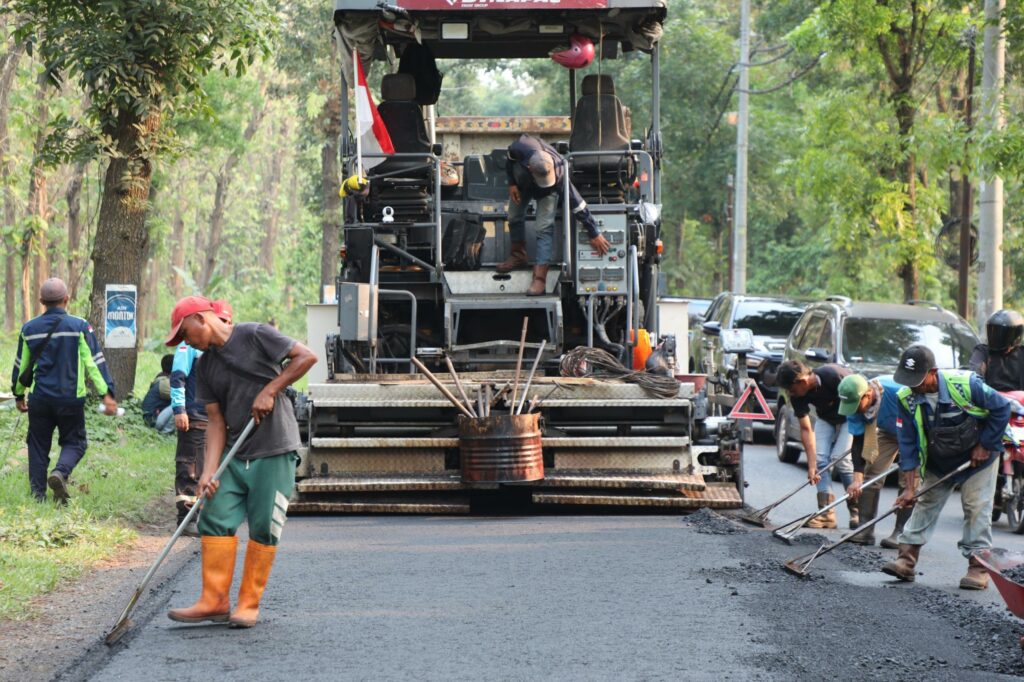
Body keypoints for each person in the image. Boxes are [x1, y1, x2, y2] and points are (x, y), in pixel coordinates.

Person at [164, 296, 316, 628]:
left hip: (274, 447)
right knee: (214, 517)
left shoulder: (255, 334)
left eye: (185, 333)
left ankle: (248, 604)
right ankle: (214, 600)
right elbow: (216, 421)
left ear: (201, 319)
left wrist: (271, 390)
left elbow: (306, 356)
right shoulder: (205, 365)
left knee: (264, 526)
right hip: (235, 452)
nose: (186, 342)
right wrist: (208, 472)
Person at [881, 344, 1010, 590]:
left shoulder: (965, 384)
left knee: (976, 507)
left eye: (917, 380)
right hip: (938, 461)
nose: (912, 386)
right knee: (925, 503)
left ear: (933, 372)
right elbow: (907, 444)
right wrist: (909, 489)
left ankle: (978, 567)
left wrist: (984, 445)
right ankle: (906, 560)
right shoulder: (906, 398)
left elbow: (1002, 408)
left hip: (978, 458)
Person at [9, 278, 118, 503]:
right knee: (76, 442)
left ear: (41, 301)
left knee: (37, 445)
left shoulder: (29, 329)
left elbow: (21, 365)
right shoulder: (79, 326)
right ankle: (60, 472)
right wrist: (106, 394)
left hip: (40, 398)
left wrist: (19, 395)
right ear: (66, 299)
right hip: (70, 399)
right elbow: (93, 363)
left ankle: (38, 495)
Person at [498, 133, 610, 295]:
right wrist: (512, 183)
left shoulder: (559, 172)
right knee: (513, 216)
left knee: (543, 228)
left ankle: (539, 278)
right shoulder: (519, 148)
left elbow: (578, 204)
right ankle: (518, 256)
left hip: (548, 192)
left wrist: (594, 232)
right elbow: (510, 161)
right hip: (523, 183)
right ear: (529, 167)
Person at [170, 298, 233, 536]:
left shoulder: (223, 348)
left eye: (227, 322)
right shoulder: (190, 346)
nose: (224, 325)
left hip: (216, 420)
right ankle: (186, 518)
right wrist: (179, 409)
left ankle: (207, 516)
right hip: (194, 416)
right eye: (221, 320)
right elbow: (177, 377)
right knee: (190, 465)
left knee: (211, 467)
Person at [776, 359, 856, 529]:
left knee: (841, 459)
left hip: (850, 417)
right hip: (826, 418)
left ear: (802, 381)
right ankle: (826, 514)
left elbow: (860, 402)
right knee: (820, 460)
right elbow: (806, 429)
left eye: (791, 389)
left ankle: (857, 510)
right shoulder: (797, 396)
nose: (791, 393)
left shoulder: (834, 376)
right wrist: (811, 466)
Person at [836, 373, 912, 547]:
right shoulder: (854, 404)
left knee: (908, 481)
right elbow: (858, 439)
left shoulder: (898, 392)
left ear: (868, 395)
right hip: (889, 432)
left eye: (856, 405)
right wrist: (857, 478)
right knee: (870, 476)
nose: (854, 410)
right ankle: (865, 530)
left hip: (914, 433)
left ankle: (901, 532)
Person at [968, 309, 1024, 514]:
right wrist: (976, 379)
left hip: (1020, 409)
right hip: (990, 408)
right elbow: (975, 370)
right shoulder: (983, 351)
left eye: (1001, 332)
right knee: (975, 439)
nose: (996, 336)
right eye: (993, 331)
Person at [141, 354, 174, 434]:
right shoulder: (165, 383)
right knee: (180, 403)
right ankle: (166, 433)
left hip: (152, 417)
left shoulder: (162, 378)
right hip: (152, 420)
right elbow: (185, 396)